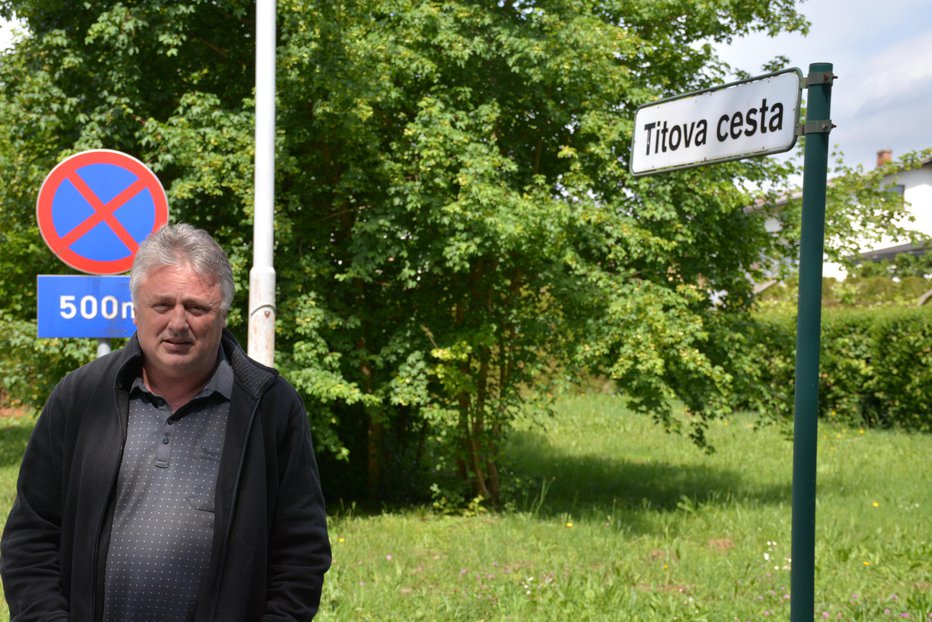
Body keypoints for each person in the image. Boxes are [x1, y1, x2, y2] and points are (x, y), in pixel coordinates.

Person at [1, 224, 331, 621]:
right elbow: (31, 538)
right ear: (136, 308)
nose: (178, 323)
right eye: (162, 305)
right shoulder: (81, 397)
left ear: (222, 315)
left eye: (196, 307)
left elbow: (301, 554)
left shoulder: (270, 408)